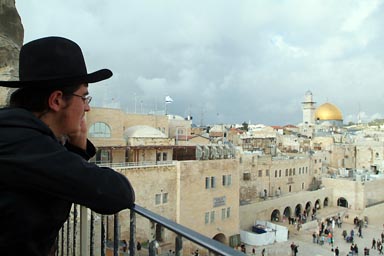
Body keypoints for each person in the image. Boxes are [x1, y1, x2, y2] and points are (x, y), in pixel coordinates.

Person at [0, 36, 135, 255]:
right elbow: (116, 194)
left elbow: (60, 178)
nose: (87, 108)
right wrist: (78, 152)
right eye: (84, 97)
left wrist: (77, 150)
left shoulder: (16, 134)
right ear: (56, 100)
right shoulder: (26, 145)